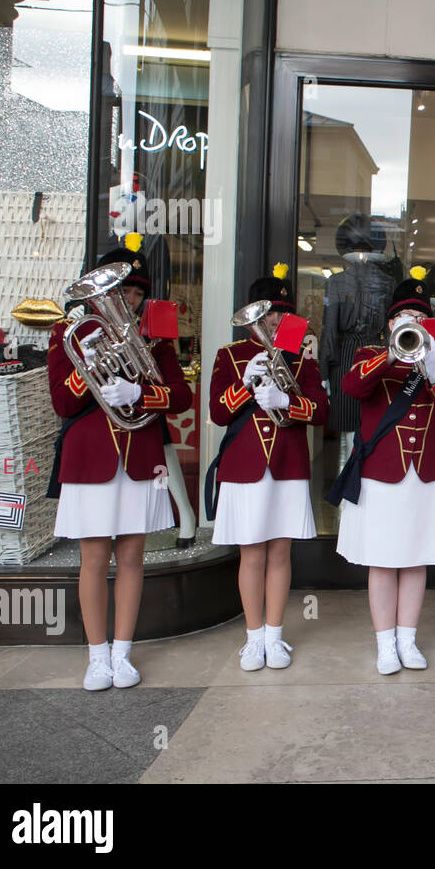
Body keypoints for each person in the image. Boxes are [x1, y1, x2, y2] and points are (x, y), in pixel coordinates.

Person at [47, 233, 193, 691]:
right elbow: (62, 404)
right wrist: (86, 369)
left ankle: (122, 653)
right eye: (120, 291)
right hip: (91, 455)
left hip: (139, 453)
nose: (128, 299)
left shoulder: (155, 336)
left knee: (132, 556)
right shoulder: (70, 334)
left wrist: (140, 393)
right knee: (93, 558)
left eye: (134, 292)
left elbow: (181, 396)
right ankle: (95, 657)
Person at [331, 267, 435, 674]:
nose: (415, 326)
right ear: (391, 323)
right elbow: (352, 389)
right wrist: (392, 353)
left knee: (416, 559)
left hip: (426, 471)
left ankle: (408, 639)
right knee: (383, 561)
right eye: (407, 319)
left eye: (421, 320)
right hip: (382, 473)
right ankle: (385, 644)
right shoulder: (370, 356)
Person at [207, 264, 329, 672]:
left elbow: (320, 410)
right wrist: (244, 383)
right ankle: (253, 637)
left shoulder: (301, 356)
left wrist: (286, 403)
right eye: (266, 313)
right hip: (245, 464)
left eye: (280, 312)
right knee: (251, 554)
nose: (274, 320)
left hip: (287, 463)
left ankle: (275, 637)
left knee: (280, 552)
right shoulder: (229, 355)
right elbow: (218, 414)